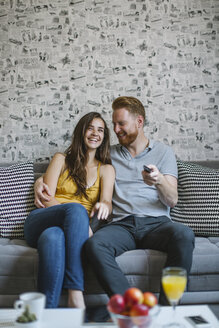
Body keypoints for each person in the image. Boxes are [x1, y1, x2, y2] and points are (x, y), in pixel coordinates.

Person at [34, 96, 195, 306]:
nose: (116, 130)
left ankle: (166, 310)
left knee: (184, 234)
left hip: (157, 224)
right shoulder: (108, 154)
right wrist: (39, 181)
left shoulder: (163, 152)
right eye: (114, 124)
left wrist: (159, 180)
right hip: (122, 225)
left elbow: (172, 199)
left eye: (121, 124)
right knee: (94, 245)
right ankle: (131, 306)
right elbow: (79, 161)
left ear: (139, 122)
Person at [24, 112, 115, 309]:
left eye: (100, 130)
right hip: (41, 220)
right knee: (76, 210)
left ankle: (47, 313)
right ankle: (76, 294)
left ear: (104, 137)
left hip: (58, 231)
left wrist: (103, 206)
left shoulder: (106, 169)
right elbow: (46, 199)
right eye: (90, 128)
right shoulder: (61, 159)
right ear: (81, 131)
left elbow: (106, 202)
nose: (95, 133)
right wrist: (77, 221)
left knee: (53, 237)